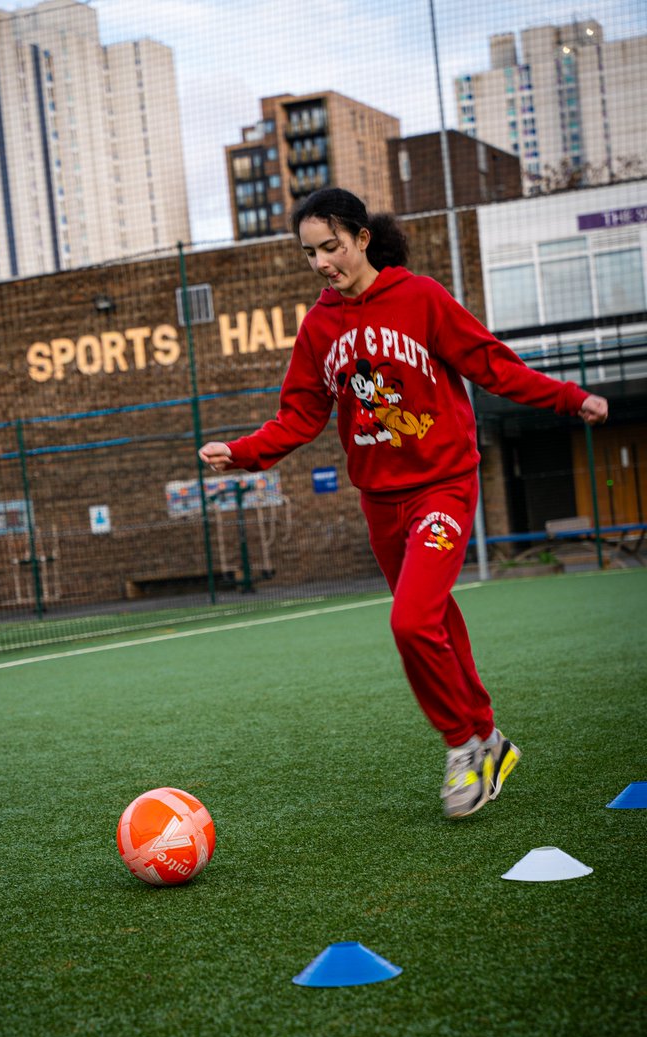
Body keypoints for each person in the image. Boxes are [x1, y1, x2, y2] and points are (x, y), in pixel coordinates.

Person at [199, 187, 608, 819]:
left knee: (411, 621)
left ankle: (463, 747)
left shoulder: (421, 300)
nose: (322, 264)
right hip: (380, 501)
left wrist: (567, 397)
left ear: (363, 239)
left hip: (442, 485)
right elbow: (300, 414)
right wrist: (245, 452)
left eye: (331, 247)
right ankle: (488, 736)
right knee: (434, 619)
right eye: (309, 254)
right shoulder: (320, 325)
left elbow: (492, 366)